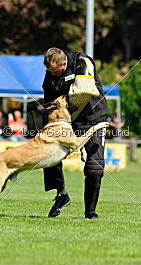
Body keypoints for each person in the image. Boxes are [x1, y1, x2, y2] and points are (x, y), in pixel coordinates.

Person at [42, 47, 109, 219]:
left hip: (94, 117)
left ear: (64, 63)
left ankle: (90, 212)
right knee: (48, 154)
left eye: (56, 72)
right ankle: (61, 194)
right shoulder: (50, 76)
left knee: (95, 167)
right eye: (51, 72)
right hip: (67, 121)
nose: (53, 75)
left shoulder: (82, 61)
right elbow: (49, 103)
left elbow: (85, 90)